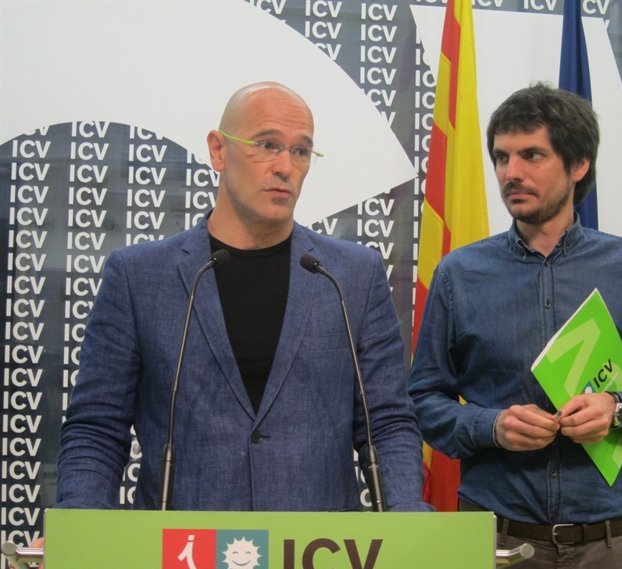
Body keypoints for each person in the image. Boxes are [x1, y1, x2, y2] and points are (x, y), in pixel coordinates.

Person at [56, 81, 427, 513]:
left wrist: (406, 521)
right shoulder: (137, 276)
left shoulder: (352, 276)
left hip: (317, 549)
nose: (285, 167)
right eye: (267, 145)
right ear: (218, 150)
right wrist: (78, 527)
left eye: (301, 151)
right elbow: (97, 428)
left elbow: (387, 422)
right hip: (181, 548)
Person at [408, 82, 622, 569]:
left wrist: (619, 409)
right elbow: (421, 402)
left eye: (531, 155)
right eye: (501, 157)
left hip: (607, 556)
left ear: (578, 164)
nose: (510, 173)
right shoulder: (459, 274)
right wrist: (491, 426)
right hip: (496, 550)